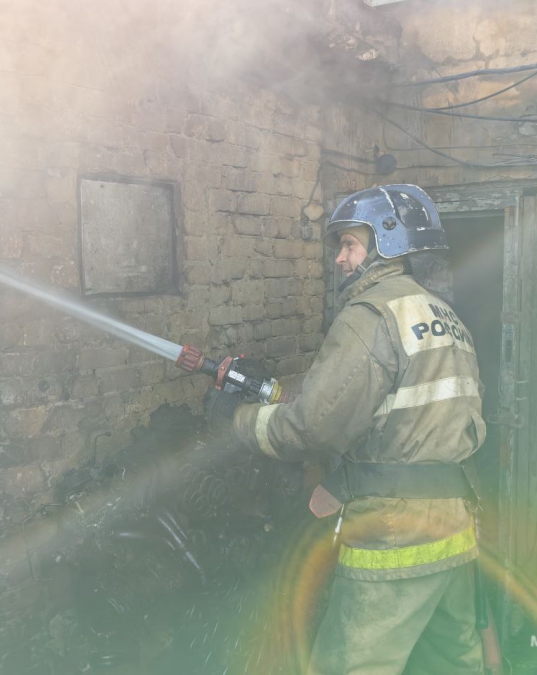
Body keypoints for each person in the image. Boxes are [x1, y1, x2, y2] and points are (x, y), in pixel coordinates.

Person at [206, 184, 487, 674]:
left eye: (350, 244)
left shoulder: (370, 316)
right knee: (451, 661)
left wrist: (236, 419)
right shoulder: (441, 314)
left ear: (387, 243)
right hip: (454, 527)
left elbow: (313, 428)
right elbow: (401, 414)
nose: (340, 258)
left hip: (396, 533)